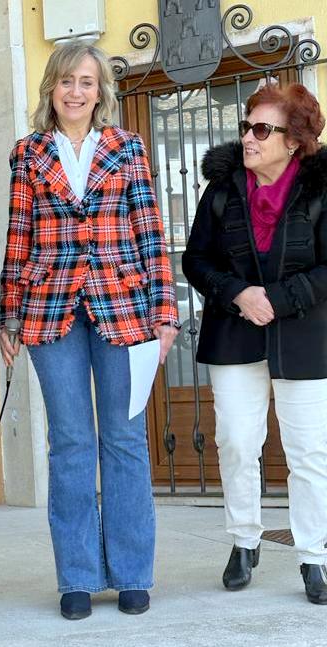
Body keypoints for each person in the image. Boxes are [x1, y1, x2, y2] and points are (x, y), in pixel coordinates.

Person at [0, 43, 179, 620]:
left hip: (124, 308)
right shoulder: (27, 154)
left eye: (87, 82)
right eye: (66, 81)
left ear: (101, 91)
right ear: (51, 87)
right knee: (71, 442)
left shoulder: (127, 148)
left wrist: (165, 311)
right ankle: (75, 575)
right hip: (50, 310)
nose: (76, 92)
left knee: (124, 441)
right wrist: (9, 314)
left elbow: (150, 231)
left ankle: (131, 572)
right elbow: (18, 236)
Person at [183, 82, 327, 604]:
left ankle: (314, 555)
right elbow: (195, 260)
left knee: (309, 452)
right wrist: (239, 293)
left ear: (294, 140)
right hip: (234, 330)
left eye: (261, 129)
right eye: (246, 126)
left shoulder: (320, 190)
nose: (248, 137)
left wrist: (280, 298)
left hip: (306, 335)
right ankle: (245, 541)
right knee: (237, 443)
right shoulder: (222, 190)